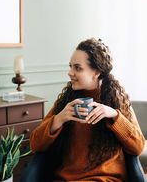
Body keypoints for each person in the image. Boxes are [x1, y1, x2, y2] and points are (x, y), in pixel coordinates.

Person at [30, 38, 145, 182]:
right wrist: (58, 119)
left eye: (77, 68)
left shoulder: (117, 102)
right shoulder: (66, 102)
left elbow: (138, 148)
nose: (70, 73)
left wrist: (116, 116)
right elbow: (35, 145)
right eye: (70, 66)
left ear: (96, 72)